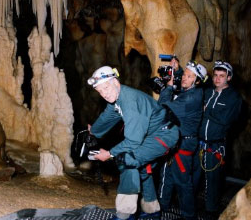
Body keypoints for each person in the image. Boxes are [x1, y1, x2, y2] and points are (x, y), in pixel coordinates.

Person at [87, 66, 179, 220]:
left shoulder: (129, 101)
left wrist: (109, 154)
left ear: (116, 82)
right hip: (153, 135)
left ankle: (125, 214)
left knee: (127, 160)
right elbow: (106, 117)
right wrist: (94, 131)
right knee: (142, 168)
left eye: (106, 87)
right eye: (100, 91)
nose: (104, 93)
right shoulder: (117, 99)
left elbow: (133, 142)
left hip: (164, 134)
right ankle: (152, 210)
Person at [157, 61, 207, 220]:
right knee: (170, 177)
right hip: (180, 141)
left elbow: (163, 107)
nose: (184, 78)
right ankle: (163, 206)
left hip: (184, 144)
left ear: (197, 81)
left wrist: (169, 87)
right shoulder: (192, 91)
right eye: (184, 75)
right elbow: (184, 82)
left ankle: (189, 216)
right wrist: (177, 71)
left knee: (183, 182)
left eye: (189, 76)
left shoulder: (190, 98)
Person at [193, 60, 242, 217]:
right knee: (193, 177)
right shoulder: (208, 92)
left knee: (212, 181)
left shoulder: (233, 98)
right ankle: (190, 207)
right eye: (215, 75)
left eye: (222, 76)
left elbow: (226, 119)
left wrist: (206, 111)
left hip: (215, 146)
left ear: (229, 77)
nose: (217, 79)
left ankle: (211, 211)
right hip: (198, 144)